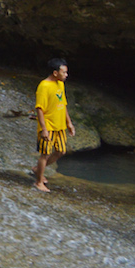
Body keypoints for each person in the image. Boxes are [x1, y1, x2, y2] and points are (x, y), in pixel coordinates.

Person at [32, 58, 76, 192]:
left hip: (60, 125)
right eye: (64, 72)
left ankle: (37, 169)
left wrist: (69, 123)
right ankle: (39, 182)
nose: (66, 75)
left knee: (61, 151)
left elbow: (63, 104)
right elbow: (39, 108)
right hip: (49, 126)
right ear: (55, 73)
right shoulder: (44, 86)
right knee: (45, 154)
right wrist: (44, 129)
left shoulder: (60, 84)